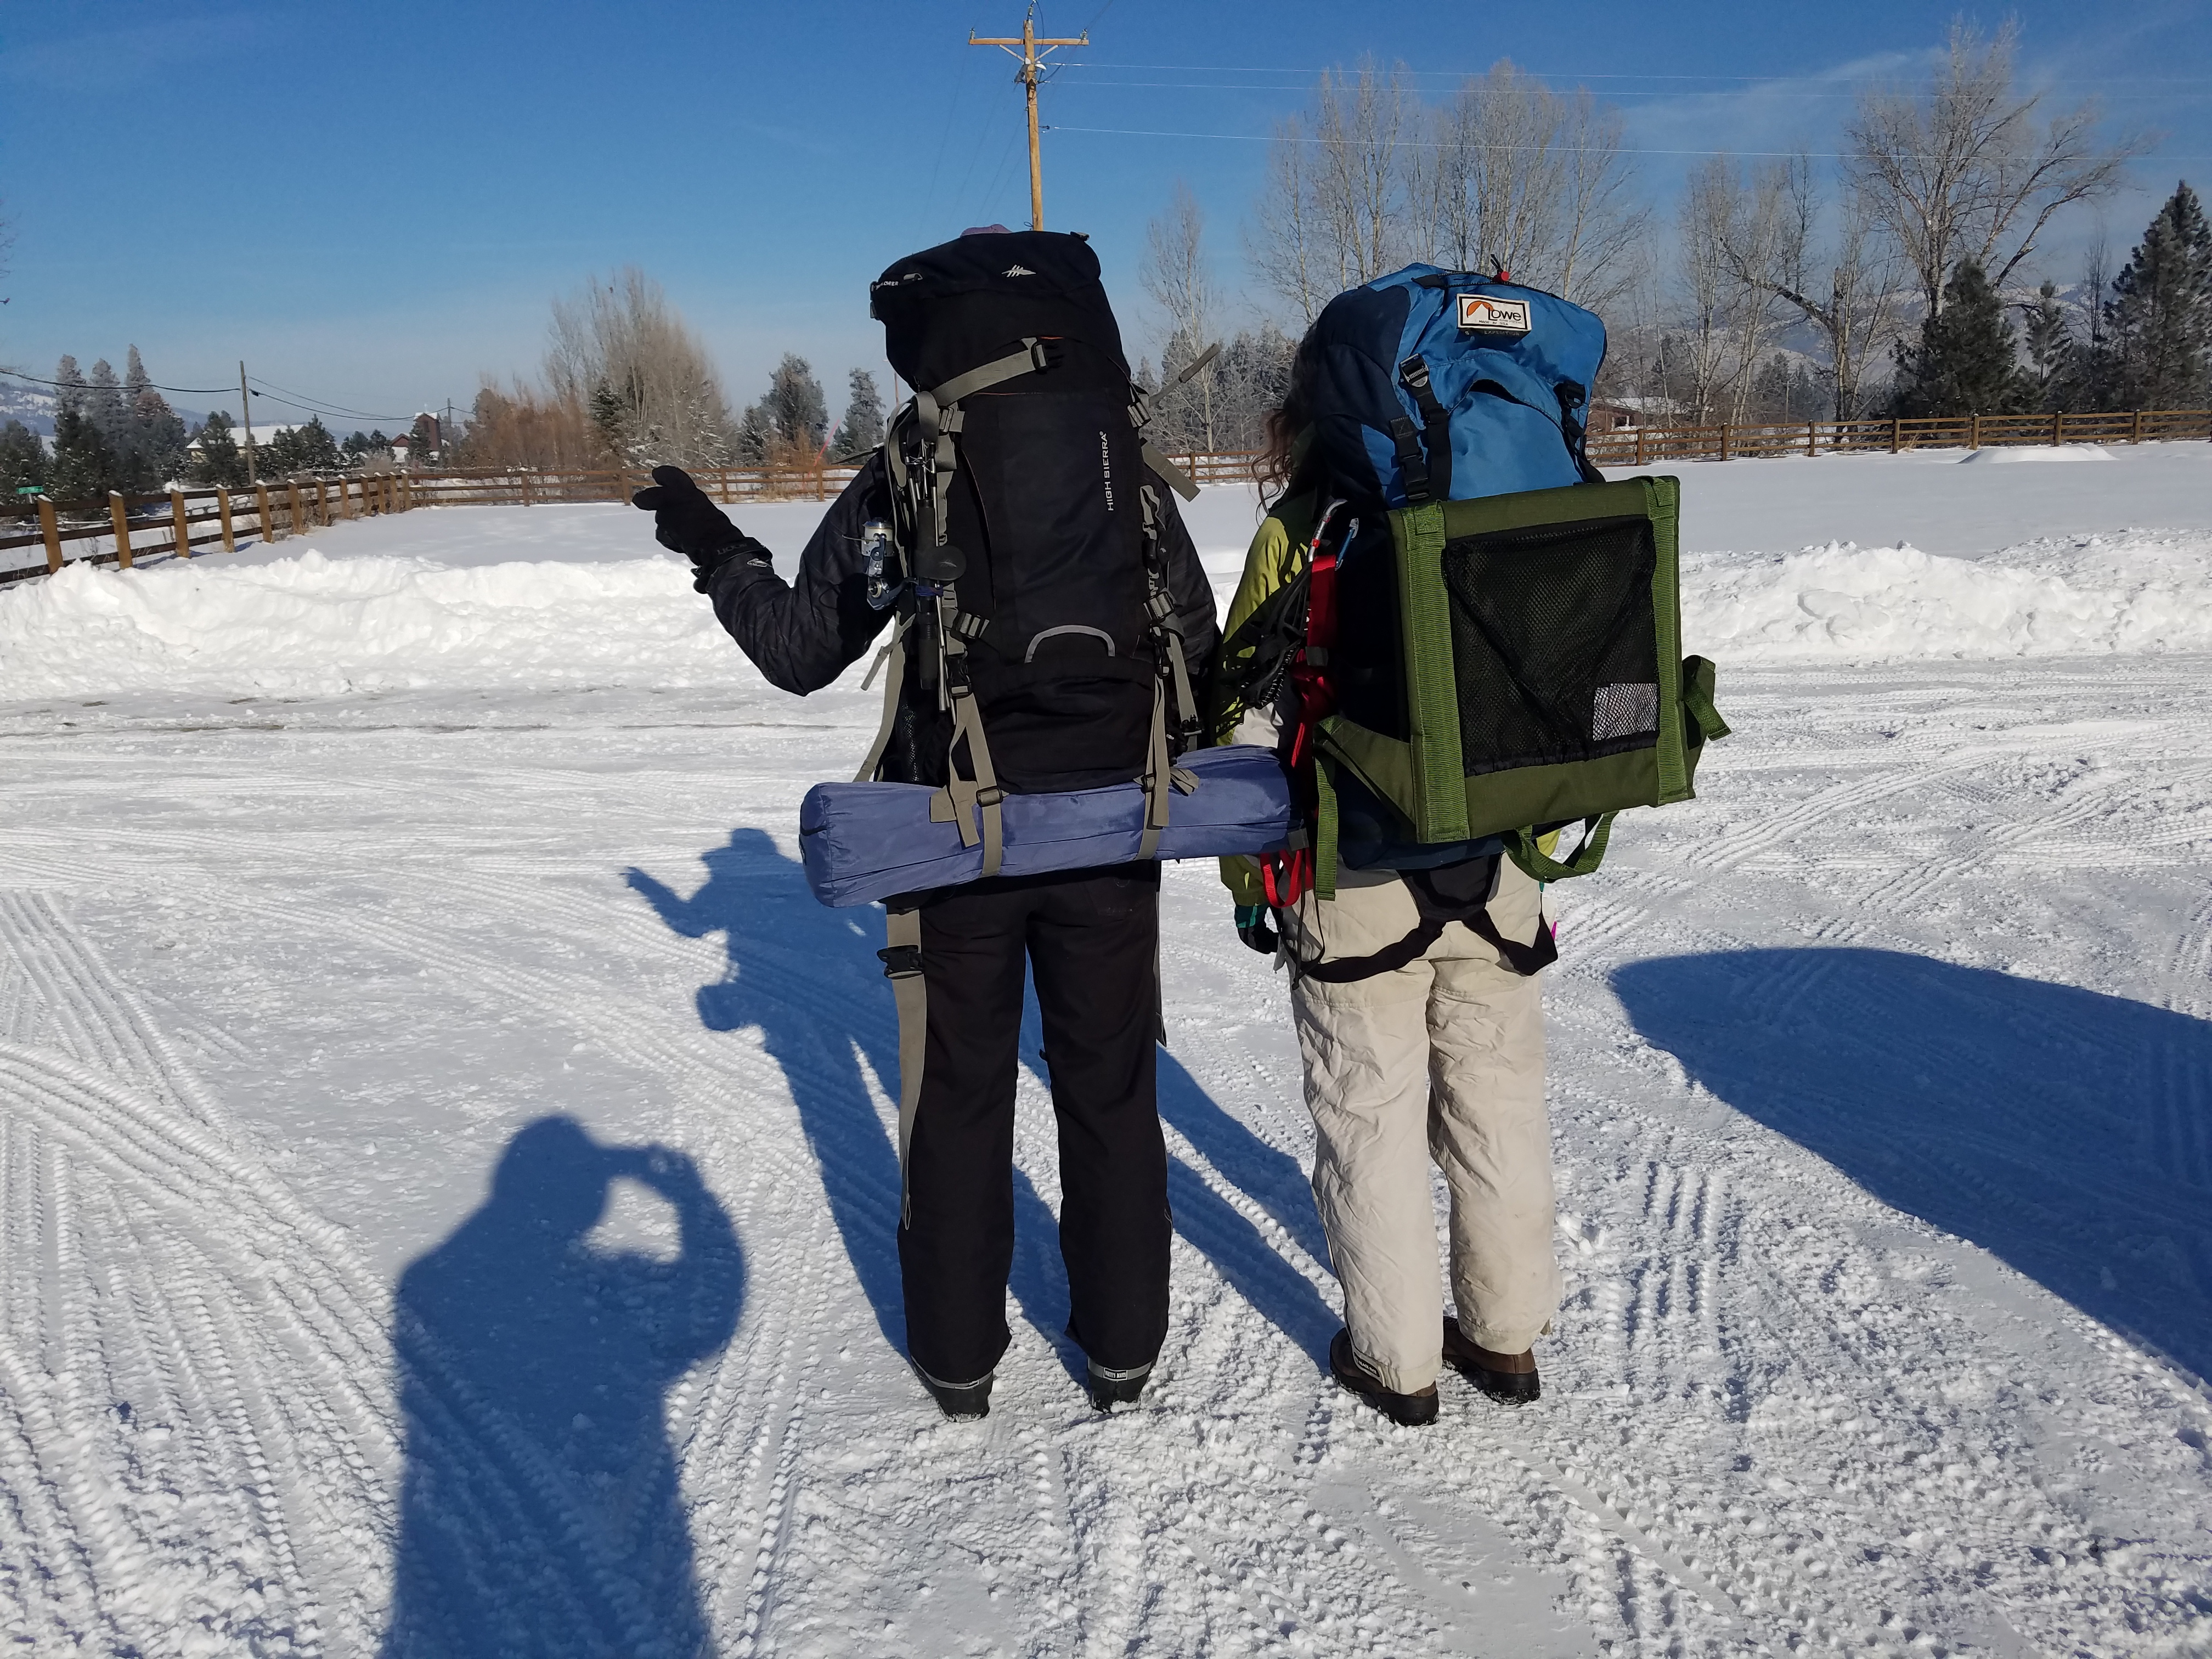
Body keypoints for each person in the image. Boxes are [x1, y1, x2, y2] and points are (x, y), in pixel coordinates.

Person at [631, 233, 1220, 1421]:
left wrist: (712, 545)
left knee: (958, 1090)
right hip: (1112, 832)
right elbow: (1193, 648)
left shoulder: (917, 459)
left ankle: (959, 1362)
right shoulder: (1124, 458)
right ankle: (1124, 1352)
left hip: (960, 830)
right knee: (1111, 1087)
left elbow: (800, 648)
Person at [1212, 332, 1561, 1428]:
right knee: (1499, 1107)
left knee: (1371, 1120)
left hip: (1352, 875)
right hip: (1498, 870)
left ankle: (1398, 1363)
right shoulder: (1521, 507)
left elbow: (1241, 719)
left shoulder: (1304, 529)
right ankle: (1505, 1338)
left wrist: (1249, 884)